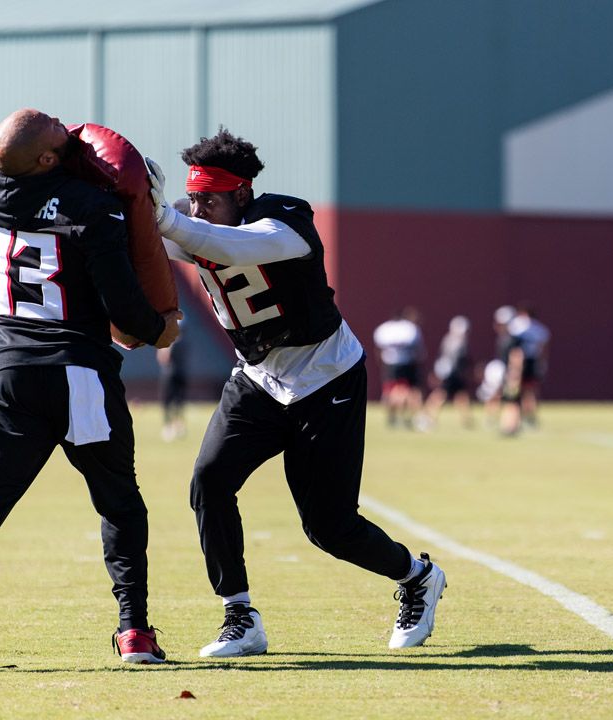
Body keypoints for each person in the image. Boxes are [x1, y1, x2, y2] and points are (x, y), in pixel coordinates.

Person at [146, 128, 446, 656]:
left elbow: (233, 246)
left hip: (324, 374)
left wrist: (167, 220)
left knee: (330, 527)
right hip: (257, 377)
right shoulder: (196, 222)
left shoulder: (285, 219)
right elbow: (148, 237)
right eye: (192, 198)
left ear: (241, 194)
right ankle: (239, 614)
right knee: (209, 482)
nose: (197, 208)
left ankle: (417, 576)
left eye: (208, 199)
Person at [0, 108, 180, 672]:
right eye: (59, 137)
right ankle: (133, 631)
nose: (72, 134)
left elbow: (36, 196)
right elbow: (125, 308)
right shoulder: (91, 206)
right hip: (80, 372)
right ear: (44, 160)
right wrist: (161, 328)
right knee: (119, 504)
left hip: (9, 374)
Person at [373, 307, 426, 428]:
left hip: (389, 363)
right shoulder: (410, 329)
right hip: (406, 363)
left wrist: (381, 363)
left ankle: (392, 415)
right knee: (403, 390)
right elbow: (418, 349)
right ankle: (402, 414)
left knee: (391, 390)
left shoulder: (384, 328)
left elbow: (379, 349)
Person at [419, 315, 474, 430]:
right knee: (441, 395)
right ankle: (427, 416)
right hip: (451, 374)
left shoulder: (451, 340)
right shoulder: (455, 342)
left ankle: (466, 419)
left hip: (454, 373)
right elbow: (454, 360)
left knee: (461, 396)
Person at [507, 305, 551, 429]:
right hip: (532, 361)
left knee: (519, 391)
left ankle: (520, 417)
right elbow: (543, 348)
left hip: (522, 362)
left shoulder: (518, 327)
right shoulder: (540, 329)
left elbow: (513, 347)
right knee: (529, 391)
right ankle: (529, 417)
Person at [157, 319, 190, 441]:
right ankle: (178, 426)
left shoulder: (170, 342)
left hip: (169, 374)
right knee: (179, 402)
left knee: (167, 402)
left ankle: (169, 426)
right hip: (181, 373)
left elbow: (163, 358)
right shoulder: (185, 341)